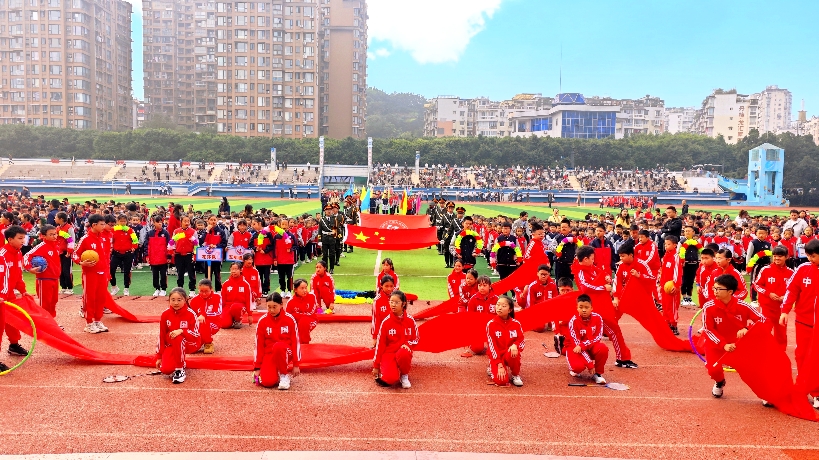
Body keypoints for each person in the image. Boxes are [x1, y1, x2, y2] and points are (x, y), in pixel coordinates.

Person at [573, 245, 637, 369]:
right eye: (592, 258)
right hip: (594, 310)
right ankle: (621, 359)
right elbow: (584, 287)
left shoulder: (591, 267)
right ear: (585, 259)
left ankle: (622, 358)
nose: (593, 260)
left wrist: (606, 277)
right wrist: (603, 288)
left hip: (601, 306)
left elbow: (600, 272)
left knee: (614, 330)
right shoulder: (580, 271)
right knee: (614, 331)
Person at [702, 274, 764, 398]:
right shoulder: (708, 307)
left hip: (739, 345)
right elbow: (708, 330)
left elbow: (762, 319)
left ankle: (765, 393)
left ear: (730, 291)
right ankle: (719, 382)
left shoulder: (743, 306)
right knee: (713, 370)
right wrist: (723, 344)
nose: (715, 291)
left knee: (755, 370)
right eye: (714, 288)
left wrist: (747, 328)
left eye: (719, 289)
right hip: (716, 344)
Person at [780, 238, 819, 408]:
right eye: (808, 255)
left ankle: (817, 391)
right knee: (802, 355)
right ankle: (803, 387)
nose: (810, 259)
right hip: (804, 321)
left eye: (814, 256)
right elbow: (791, 290)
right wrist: (784, 311)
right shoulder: (803, 269)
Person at [253, 292, 300, 390]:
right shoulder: (262, 321)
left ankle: (284, 375)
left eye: (274, 307)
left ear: (281, 305)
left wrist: (296, 364)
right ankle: (275, 371)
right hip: (269, 353)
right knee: (267, 382)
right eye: (269, 307)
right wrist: (257, 367)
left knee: (278, 346)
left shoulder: (289, 319)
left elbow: (296, 342)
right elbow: (259, 345)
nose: (271, 310)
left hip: (285, 351)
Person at [73, 214, 111, 334]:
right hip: (90, 273)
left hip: (102, 272)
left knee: (101, 298)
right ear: (94, 225)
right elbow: (75, 254)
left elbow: (105, 257)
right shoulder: (85, 239)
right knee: (90, 298)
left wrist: (107, 272)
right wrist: (81, 262)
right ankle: (89, 323)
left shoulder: (103, 238)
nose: (104, 226)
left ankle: (97, 321)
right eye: (102, 224)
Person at [372, 290, 418, 389]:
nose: (393, 305)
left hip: (402, 351)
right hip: (389, 353)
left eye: (397, 302)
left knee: (404, 352)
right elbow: (380, 345)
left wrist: (408, 344)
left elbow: (416, 338)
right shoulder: (386, 322)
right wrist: (376, 366)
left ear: (403, 303)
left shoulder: (410, 320)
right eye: (391, 302)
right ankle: (390, 369)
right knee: (390, 379)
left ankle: (404, 375)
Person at [0, 226, 32, 366]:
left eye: (24, 238)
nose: (23, 241)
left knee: (13, 321)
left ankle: (13, 345)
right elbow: (2, 278)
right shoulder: (2, 255)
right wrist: (1, 295)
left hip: (9, 294)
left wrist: (23, 290)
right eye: (20, 238)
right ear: (10, 239)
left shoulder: (18, 253)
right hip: (1, 296)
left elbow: (18, 275)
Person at [155, 288, 201, 384]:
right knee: (166, 370)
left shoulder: (191, 314)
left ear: (185, 299)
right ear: (169, 300)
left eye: (179, 300)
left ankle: (180, 369)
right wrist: (159, 356)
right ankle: (179, 362)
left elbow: (196, 335)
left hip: (190, 343)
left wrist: (182, 331)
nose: (176, 303)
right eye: (173, 300)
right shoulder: (165, 314)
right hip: (172, 344)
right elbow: (162, 335)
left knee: (177, 337)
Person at [753, 246, 792, 350]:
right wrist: (768, 293)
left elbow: (794, 290)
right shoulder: (765, 270)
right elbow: (756, 285)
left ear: (786, 257)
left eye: (780, 256)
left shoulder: (791, 273)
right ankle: (762, 350)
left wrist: (785, 297)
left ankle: (780, 352)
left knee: (781, 332)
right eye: (774, 256)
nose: (777, 259)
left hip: (782, 309)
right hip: (767, 307)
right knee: (765, 329)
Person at [566, 294, 609, 385]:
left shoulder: (598, 318)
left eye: (586, 307)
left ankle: (598, 374)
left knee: (603, 348)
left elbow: (597, 337)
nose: (584, 310)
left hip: (588, 346)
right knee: (577, 367)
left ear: (591, 308)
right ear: (577, 308)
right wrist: (589, 364)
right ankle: (574, 367)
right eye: (581, 307)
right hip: (574, 348)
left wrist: (584, 345)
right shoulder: (573, 321)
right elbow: (577, 345)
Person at [23, 225, 61, 319]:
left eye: (55, 234)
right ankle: (45, 324)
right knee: (45, 303)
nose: (54, 236)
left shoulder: (56, 246)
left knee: (53, 302)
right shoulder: (41, 246)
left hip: (55, 278)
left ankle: (52, 323)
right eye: (51, 234)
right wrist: (29, 268)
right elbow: (26, 256)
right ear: (43, 236)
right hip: (44, 279)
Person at [487, 295, 525, 387]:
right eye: (498, 304)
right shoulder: (491, 324)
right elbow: (492, 347)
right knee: (502, 381)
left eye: (503, 306)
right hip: (497, 356)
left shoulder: (516, 324)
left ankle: (515, 375)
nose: (499, 308)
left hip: (509, 354)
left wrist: (515, 345)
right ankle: (492, 366)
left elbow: (522, 341)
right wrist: (499, 364)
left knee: (514, 350)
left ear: (510, 310)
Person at [189, 279, 228, 354]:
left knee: (204, 322)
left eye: (206, 291)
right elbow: (190, 315)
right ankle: (199, 340)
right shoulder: (194, 300)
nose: (203, 294)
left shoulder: (217, 297)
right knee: (191, 349)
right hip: (198, 325)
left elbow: (218, 312)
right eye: (201, 291)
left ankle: (208, 343)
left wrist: (204, 315)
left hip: (215, 323)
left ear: (211, 289)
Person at [169, 215, 198, 297]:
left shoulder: (193, 231)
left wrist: (195, 255)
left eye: (188, 221)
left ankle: (192, 290)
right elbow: (172, 242)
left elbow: (196, 244)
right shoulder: (176, 231)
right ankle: (180, 289)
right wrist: (172, 251)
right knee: (180, 273)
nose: (187, 223)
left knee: (191, 273)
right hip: (179, 255)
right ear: (181, 222)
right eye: (185, 221)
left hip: (189, 255)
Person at [659, 236, 683, 334]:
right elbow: (662, 271)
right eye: (665, 244)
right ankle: (667, 322)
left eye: (668, 244)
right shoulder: (665, 256)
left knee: (672, 306)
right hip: (664, 286)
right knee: (665, 305)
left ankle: (674, 325)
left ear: (675, 245)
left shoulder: (676, 257)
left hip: (672, 286)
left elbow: (678, 272)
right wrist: (660, 282)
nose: (666, 246)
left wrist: (676, 285)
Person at [109, 214, 138, 296]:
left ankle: (126, 288)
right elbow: (109, 240)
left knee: (127, 271)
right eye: (121, 221)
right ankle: (114, 287)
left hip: (128, 253)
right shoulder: (113, 230)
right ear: (117, 221)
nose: (122, 223)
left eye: (124, 221)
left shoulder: (130, 230)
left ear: (127, 222)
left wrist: (134, 247)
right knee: (111, 270)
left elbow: (135, 240)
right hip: (116, 253)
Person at [221, 262, 254, 328]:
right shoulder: (225, 284)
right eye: (232, 269)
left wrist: (250, 314)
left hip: (240, 306)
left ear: (241, 270)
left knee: (235, 306)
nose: (234, 271)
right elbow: (222, 299)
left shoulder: (245, 284)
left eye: (236, 269)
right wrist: (221, 312)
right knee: (224, 325)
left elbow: (248, 300)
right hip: (228, 306)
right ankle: (231, 319)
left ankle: (238, 320)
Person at [144, 215, 170, 297]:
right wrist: (147, 256)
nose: (160, 224)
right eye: (158, 222)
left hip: (163, 258)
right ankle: (157, 288)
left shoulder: (165, 233)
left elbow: (169, 245)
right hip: (153, 258)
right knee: (155, 275)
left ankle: (163, 289)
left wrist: (169, 256)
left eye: (161, 222)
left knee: (163, 274)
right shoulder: (149, 233)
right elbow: (146, 245)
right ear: (153, 223)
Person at [286, 279, 318, 344]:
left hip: (311, 320)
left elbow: (311, 313)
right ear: (295, 290)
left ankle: (304, 343)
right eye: (302, 288)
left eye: (306, 288)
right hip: (296, 322)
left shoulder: (312, 296)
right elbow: (288, 317)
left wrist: (296, 315)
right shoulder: (290, 301)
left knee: (304, 321)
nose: (305, 290)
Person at [745, 226, 771, 304]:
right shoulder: (753, 243)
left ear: (767, 234)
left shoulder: (768, 244)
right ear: (756, 233)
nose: (761, 235)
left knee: (765, 282)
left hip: (766, 265)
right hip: (756, 265)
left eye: (763, 233)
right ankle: (753, 299)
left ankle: (763, 298)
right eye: (759, 233)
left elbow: (771, 256)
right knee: (754, 281)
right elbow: (749, 255)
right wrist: (748, 265)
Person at [201, 214, 227, 292]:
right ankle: (207, 289)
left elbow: (224, 243)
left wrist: (216, 246)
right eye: (211, 220)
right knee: (207, 274)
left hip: (217, 256)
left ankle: (218, 290)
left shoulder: (221, 231)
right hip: (207, 256)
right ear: (208, 221)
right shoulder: (205, 231)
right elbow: (201, 241)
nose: (213, 221)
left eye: (214, 220)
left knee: (217, 274)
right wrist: (207, 231)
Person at [272, 219, 297, 296]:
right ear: (280, 225)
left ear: (288, 225)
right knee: (281, 277)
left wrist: (291, 249)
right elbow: (274, 248)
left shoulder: (292, 236)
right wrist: (275, 259)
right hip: (280, 260)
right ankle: (282, 290)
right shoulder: (276, 236)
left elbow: (296, 246)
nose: (284, 226)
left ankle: (289, 291)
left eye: (286, 224)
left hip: (289, 260)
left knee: (289, 276)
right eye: (283, 224)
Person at [371, 274, 396, 347]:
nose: (389, 289)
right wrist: (375, 337)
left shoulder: (397, 298)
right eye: (386, 286)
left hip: (396, 331)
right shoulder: (377, 301)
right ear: (381, 286)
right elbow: (375, 319)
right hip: (383, 332)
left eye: (391, 286)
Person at [251, 217, 274, 295]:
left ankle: (266, 290)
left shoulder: (268, 234)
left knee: (267, 276)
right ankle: (260, 290)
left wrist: (265, 250)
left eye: (254, 224)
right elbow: (250, 245)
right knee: (259, 276)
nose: (252, 226)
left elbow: (272, 245)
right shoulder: (254, 235)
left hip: (267, 258)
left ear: (260, 224)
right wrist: (255, 249)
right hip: (258, 259)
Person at [54, 212, 75, 294]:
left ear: (61, 219)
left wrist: (69, 251)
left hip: (67, 252)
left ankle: (70, 288)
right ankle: (63, 287)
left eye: (56, 217)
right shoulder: (58, 228)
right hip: (59, 252)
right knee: (60, 270)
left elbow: (71, 240)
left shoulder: (69, 228)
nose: (54, 219)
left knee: (67, 270)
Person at [318, 205, 337, 274]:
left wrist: (337, 237)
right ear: (325, 211)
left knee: (332, 254)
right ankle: (325, 269)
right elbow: (319, 230)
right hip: (324, 239)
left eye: (330, 210)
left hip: (332, 238)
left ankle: (332, 268)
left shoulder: (334, 219)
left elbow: (336, 229)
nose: (329, 211)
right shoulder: (322, 220)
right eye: (327, 210)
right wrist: (319, 240)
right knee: (325, 255)